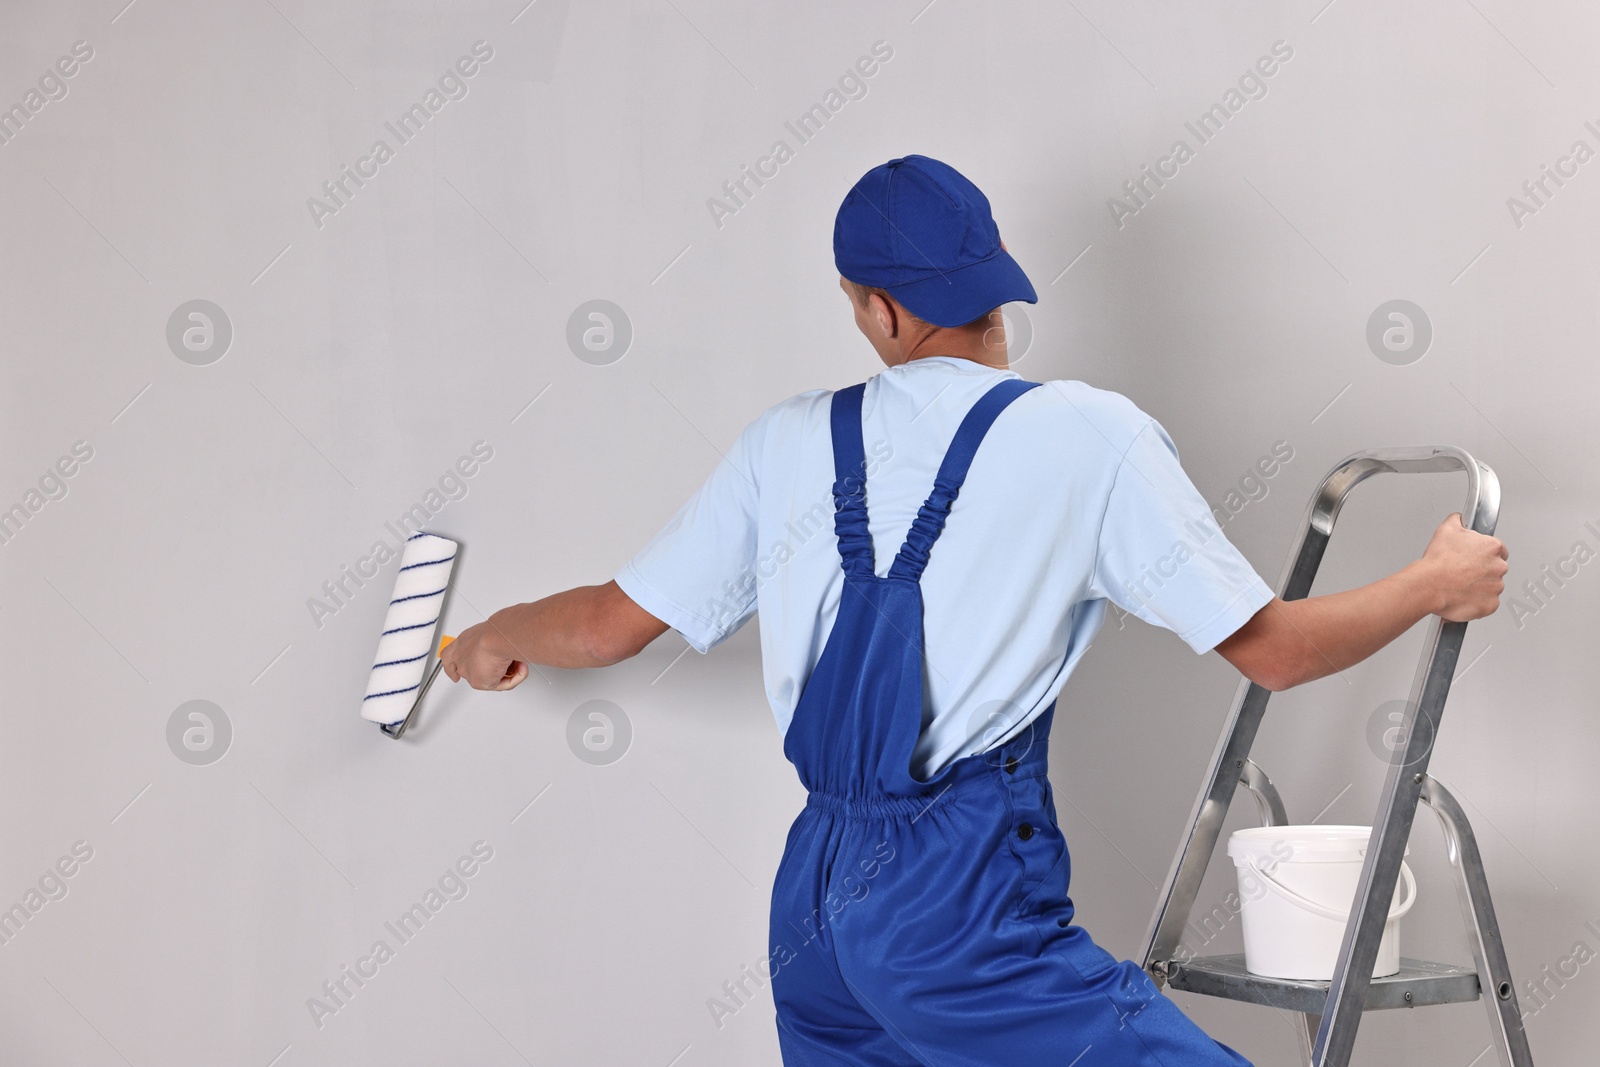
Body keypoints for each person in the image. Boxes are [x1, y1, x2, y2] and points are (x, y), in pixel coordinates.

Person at [440, 155, 1508, 1066]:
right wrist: (1431, 582)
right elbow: (1272, 651)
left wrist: (487, 637)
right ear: (996, 291)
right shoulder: (1089, 436)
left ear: (875, 307)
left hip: (812, 898)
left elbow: (602, 627)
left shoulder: (785, 441)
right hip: (957, 901)